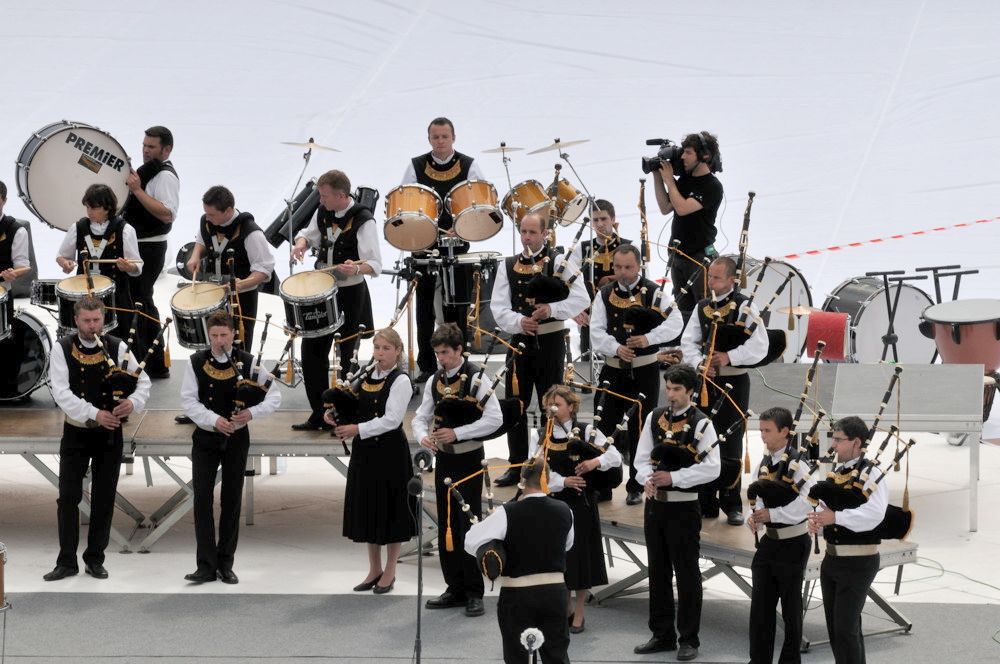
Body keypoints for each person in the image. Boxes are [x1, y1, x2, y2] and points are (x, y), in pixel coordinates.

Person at [43, 296, 151, 581]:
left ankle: (95, 558)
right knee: (68, 497)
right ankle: (66, 561)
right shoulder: (62, 348)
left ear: (104, 319)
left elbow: (143, 382)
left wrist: (133, 403)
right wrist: (94, 413)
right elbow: (61, 393)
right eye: (86, 321)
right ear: (75, 321)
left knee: (104, 498)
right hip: (76, 432)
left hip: (109, 434)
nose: (92, 326)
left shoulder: (118, 346)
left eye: (97, 320)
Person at [180, 311, 281, 584]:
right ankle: (205, 564)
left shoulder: (248, 363)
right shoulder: (196, 362)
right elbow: (188, 401)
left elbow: (274, 397)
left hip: (237, 438)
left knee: (231, 500)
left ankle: (226, 563)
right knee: (202, 499)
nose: (219, 341)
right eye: (214, 336)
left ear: (233, 335)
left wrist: (251, 414)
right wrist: (214, 420)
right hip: (206, 437)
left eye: (224, 335)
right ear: (208, 335)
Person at [489, 211, 589, 487]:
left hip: (550, 342)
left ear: (546, 234)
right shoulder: (507, 265)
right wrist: (519, 321)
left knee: (554, 404)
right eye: (523, 231)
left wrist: (552, 310)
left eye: (533, 232)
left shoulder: (559, 261)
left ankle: (555, 462)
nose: (526, 237)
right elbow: (498, 306)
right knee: (515, 405)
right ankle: (517, 465)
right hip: (519, 342)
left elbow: (581, 298)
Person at [412, 323, 503, 618]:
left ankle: (474, 591)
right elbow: (420, 416)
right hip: (446, 461)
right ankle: (454, 587)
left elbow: (495, 419)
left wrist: (458, 433)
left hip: (469, 458)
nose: (441, 359)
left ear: (460, 350)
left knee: (470, 523)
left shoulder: (477, 377)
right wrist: (422, 436)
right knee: (446, 522)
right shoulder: (435, 380)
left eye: (446, 353)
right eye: (438, 353)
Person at [633, 363, 720, 662]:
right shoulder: (655, 417)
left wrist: (674, 478)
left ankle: (689, 638)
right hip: (655, 505)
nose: (670, 394)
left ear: (691, 391)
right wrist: (647, 479)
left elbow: (712, 468)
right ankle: (661, 634)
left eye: (676, 389)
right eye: (667, 388)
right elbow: (641, 458)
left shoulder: (702, 424)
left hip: (684, 508)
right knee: (657, 571)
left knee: (686, 574)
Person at [589, 243, 683, 505]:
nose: (623, 272)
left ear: (638, 266)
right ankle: (604, 484)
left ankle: (636, 485)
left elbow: (676, 323)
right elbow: (596, 331)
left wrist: (648, 339)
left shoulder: (654, 293)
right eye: (618, 267)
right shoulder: (605, 293)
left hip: (644, 371)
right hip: (613, 369)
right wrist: (616, 347)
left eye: (628, 267)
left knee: (640, 430)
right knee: (604, 428)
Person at [323, 328, 414, 594]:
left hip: (390, 453)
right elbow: (352, 406)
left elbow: (392, 420)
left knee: (391, 510)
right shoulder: (365, 375)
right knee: (370, 508)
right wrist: (334, 414)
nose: (380, 354)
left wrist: (357, 429)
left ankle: (391, 569)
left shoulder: (401, 380)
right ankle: (374, 569)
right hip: (366, 452)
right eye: (377, 348)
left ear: (397, 351)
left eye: (386, 349)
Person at [291, 169, 380, 431]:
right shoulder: (323, 211)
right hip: (322, 291)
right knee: (311, 353)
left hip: (350, 294)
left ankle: (344, 415)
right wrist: (301, 243)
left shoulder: (364, 220)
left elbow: (374, 263)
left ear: (341, 195)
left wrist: (357, 268)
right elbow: (309, 234)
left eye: (325, 195)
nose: (321, 200)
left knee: (346, 359)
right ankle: (319, 413)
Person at [681, 256, 767, 525]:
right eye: (709, 277)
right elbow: (689, 341)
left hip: (734, 382)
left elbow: (760, 345)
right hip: (705, 382)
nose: (711, 283)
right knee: (703, 438)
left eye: (717, 278)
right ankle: (705, 500)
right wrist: (699, 363)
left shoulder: (745, 307)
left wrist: (730, 356)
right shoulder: (702, 306)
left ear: (732, 279)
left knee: (731, 440)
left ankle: (731, 503)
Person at [530, 384, 622, 634]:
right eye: (550, 404)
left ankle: (579, 610)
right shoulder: (539, 434)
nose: (553, 409)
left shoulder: (588, 430)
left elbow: (615, 457)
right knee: (557, 559)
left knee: (580, 559)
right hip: (553, 504)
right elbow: (536, 471)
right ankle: (565, 607)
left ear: (571, 407)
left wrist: (594, 461)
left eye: (558, 405)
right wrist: (563, 481)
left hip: (581, 504)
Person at [402, 117, 486, 383]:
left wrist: (461, 229)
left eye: (444, 137)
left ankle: (458, 363)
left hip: (457, 244)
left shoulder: (469, 165)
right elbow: (405, 204)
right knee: (424, 307)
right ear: (429, 139)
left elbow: (479, 206)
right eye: (435, 137)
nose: (440, 142)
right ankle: (427, 366)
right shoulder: (415, 165)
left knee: (456, 306)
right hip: (423, 245)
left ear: (453, 137)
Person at [464, 460, 574, 664]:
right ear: (547, 479)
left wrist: (496, 543)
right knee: (556, 656)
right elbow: (567, 545)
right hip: (555, 593)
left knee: (517, 657)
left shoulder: (508, 512)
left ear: (522, 481)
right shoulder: (565, 509)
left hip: (517, 595)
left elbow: (470, 541)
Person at [807, 416, 888, 664]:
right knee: (837, 628)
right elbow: (831, 507)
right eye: (833, 438)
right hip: (832, 558)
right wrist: (819, 519)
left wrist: (835, 518)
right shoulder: (838, 471)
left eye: (839, 439)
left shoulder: (871, 472)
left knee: (845, 628)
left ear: (856, 442)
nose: (833, 444)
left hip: (859, 560)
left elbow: (874, 515)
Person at [747, 407, 816, 664]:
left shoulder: (800, 464)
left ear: (785, 431)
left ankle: (790, 660)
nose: (762, 435)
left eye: (767, 430)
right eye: (761, 430)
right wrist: (752, 517)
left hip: (794, 543)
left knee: (790, 609)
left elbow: (808, 503)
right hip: (769, 543)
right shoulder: (764, 462)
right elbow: (755, 497)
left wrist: (773, 516)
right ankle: (759, 660)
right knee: (761, 608)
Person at [185, 185, 274, 353]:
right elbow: (202, 241)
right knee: (209, 343)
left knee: (238, 346)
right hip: (212, 294)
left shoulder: (251, 232)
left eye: (211, 214)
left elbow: (264, 269)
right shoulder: (207, 221)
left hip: (240, 299)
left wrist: (241, 284)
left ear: (227, 211)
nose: (207, 218)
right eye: (206, 213)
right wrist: (195, 255)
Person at [122, 126, 179, 379]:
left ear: (166, 149)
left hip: (151, 246)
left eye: (152, 147)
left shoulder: (165, 176)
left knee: (141, 298)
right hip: (138, 243)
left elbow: (167, 213)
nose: (145, 151)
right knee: (138, 298)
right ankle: (145, 358)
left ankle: (154, 361)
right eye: (144, 145)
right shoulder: (148, 171)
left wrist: (137, 191)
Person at [651, 131, 723, 317]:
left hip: (698, 257)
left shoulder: (712, 186)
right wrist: (657, 177)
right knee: (683, 307)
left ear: (704, 155)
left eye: (688, 152)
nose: (682, 156)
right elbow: (666, 207)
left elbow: (682, 208)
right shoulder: (685, 180)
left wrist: (669, 180)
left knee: (704, 307)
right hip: (678, 255)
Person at [56, 184, 142, 338]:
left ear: (107, 207)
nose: (89, 212)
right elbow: (62, 256)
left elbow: (138, 266)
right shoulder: (78, 228)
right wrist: (65, 263)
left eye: (94, 208)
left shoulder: (125, 230)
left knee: (118, 339)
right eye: (87, 208)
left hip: (116, 298)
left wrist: (129, 267)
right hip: (84, 297)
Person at [568, 199, 631, 358]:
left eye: (604, 219)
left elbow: (642, 282)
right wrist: (574, 309)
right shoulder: (582, 249)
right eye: (595, 220)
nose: (600, 224)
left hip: (624, 318)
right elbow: (565, 280)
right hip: (590, 319)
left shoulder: (629, 247)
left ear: (613, 219)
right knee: (586, 364)